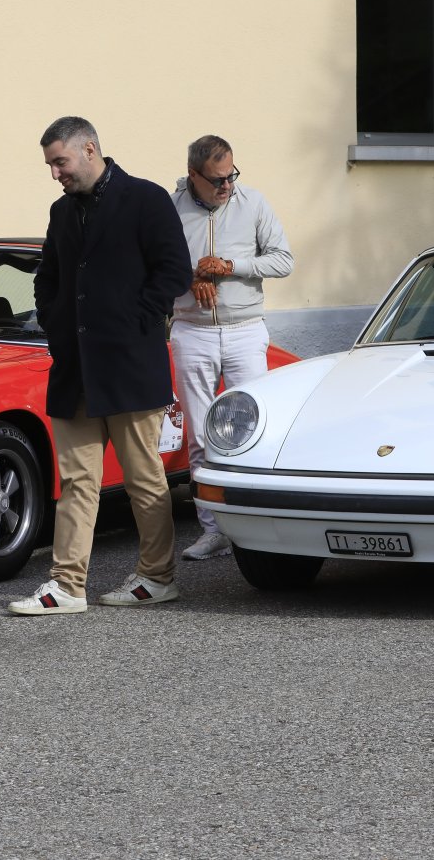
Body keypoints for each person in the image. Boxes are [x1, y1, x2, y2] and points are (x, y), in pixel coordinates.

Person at [9, 117, 192, 615]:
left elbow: (174, 270)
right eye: (50, 165)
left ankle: (157, 577)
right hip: (75, 369)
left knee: (144, 480)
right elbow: (47, 277)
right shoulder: (61, 210)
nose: (55, 173)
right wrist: (54, 321)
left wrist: (137, 321)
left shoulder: (146, 199)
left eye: (60, 162)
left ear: (89, 149)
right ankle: (67, 586)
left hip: (130, 365)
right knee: (76, 482)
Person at [169, 134, 293, 560]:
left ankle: (256, 528)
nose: (227, 186)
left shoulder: (253, 202)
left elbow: (283, 260)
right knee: (201, 435)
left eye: (231, 176)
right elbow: (152, 264)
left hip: (245, 329)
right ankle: (212, 531)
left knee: (252, 430)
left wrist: (229, 266)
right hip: (191, 329)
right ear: (193, 175)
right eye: (217, 179)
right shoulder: (171, 208)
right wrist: (191, 276)